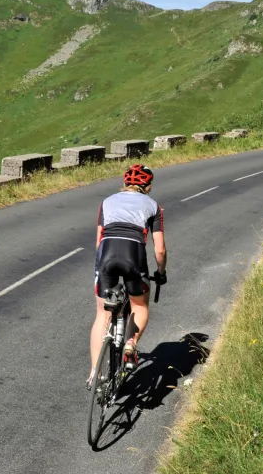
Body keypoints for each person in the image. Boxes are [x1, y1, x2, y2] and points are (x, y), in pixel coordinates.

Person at [89, 164, 167, 386]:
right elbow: (159, 250)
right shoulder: (154, 206)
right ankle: (130, 343)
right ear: (148, 185)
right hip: (134, 258)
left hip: (106, 255)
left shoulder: (107, 202)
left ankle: (95, 373)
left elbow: (98, 242)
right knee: (140, 306)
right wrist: (160, 273)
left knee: (102, 316)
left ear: (125, 183)